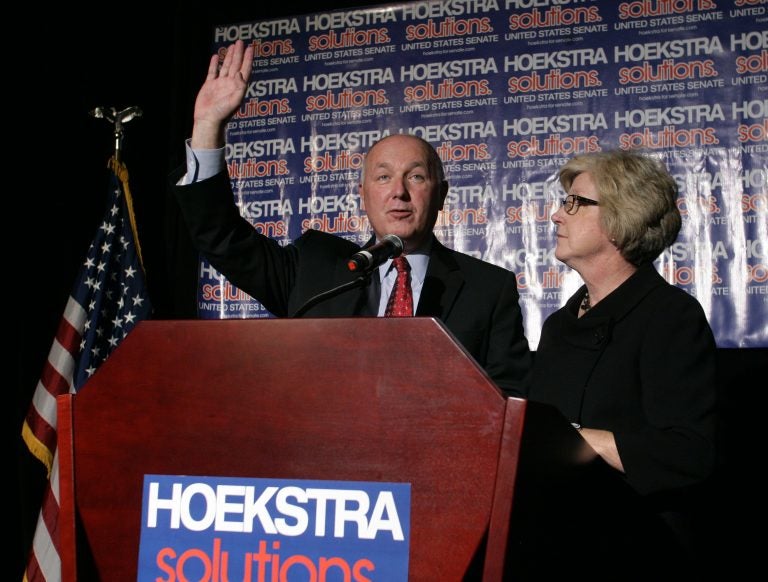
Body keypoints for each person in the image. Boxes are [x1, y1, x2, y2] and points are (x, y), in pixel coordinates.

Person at [173, 40, 531, 397]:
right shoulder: (314, 271)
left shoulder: (487, 290)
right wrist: (208, 125)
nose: (399, 191)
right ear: (363, 194)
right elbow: (222, 238)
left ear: (441, 194)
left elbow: (508, 403)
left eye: (416, 177)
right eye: (383, 177)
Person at [528, 149, 717, 576]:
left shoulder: (670, 317)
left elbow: (688, 453)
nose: (558, 215)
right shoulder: (560, 326)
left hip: (637, 550)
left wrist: (573, 439)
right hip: (556, 545)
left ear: (620, 218)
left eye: (575, 203)